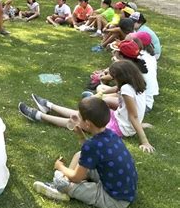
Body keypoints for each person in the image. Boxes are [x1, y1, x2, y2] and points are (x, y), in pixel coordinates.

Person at [18, 60, 155, 153]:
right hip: (118, 118)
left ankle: (39, 115)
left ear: (121, 77)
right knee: (81, 113)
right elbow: (131, 109)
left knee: (78, 122)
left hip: (119, 127)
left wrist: (144, 140)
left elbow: (133, 115)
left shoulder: (126, 89)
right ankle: (48, 105)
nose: (113, 80)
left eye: (114, 77)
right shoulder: (136, 82)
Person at [33, 97, 137, 208]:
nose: (76, 118)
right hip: (124, 189)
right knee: (79, 154)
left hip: (114, 199)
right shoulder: (111, 134)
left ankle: (60, 188)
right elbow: (92, 152)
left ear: (87, 124)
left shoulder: (92, 145)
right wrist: (81, 136)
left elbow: (77, 177)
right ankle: (65, 182)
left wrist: (60, 167)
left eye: (79, 117)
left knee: (61, 179)